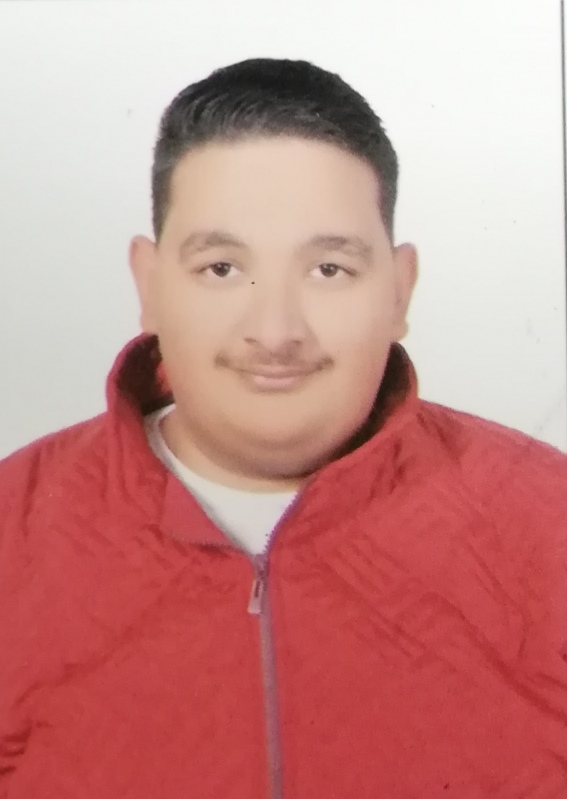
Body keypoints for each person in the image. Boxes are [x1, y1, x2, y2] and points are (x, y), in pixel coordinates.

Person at [0, 57, 566, 799]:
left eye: (328, 269)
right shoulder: (14, 527)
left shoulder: (548, 521)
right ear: (150, 285)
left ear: (399, 292)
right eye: (221, 268)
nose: (275, 332)